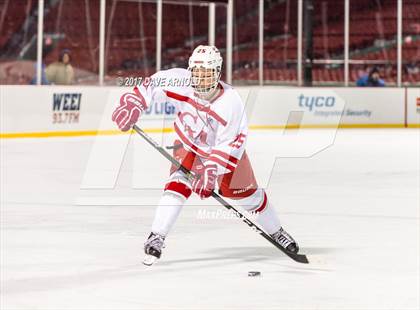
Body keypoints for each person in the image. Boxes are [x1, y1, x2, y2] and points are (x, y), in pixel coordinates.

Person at [112, 45, 300, 266]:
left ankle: (276, 231)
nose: (201, 78)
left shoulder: (230, 102)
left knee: (246, 196)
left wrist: (211, 170)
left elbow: (231, 143)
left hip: (224, 152)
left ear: (218, 73)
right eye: (197, 72)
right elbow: (151, 84)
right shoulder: (180, 81)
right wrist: (134, 103)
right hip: (189, 143)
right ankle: (157, 235)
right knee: (178, 183)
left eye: (207, 73)